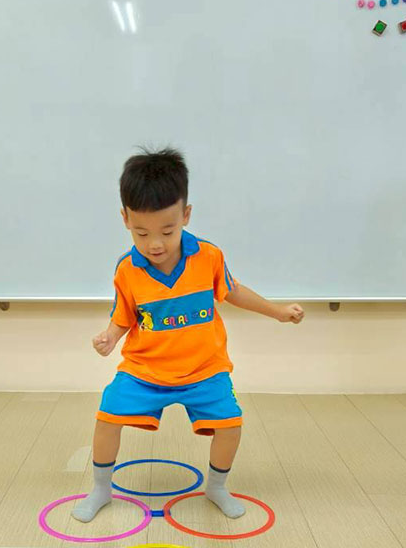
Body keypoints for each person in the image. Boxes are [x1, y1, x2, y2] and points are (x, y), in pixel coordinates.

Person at [72, 147, 304, 523]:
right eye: (141, 232)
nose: (155, 244)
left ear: (186, 215)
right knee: (107, 416)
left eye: (167, 231)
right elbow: (124, 316)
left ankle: (217, 487)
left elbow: (233, 290)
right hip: (145, 370)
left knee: (231, 424)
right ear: (125, 219)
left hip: (204, 368)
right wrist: (110, 337)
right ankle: (100, 489)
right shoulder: (127, 269)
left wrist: (277, 311)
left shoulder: (208, 256)